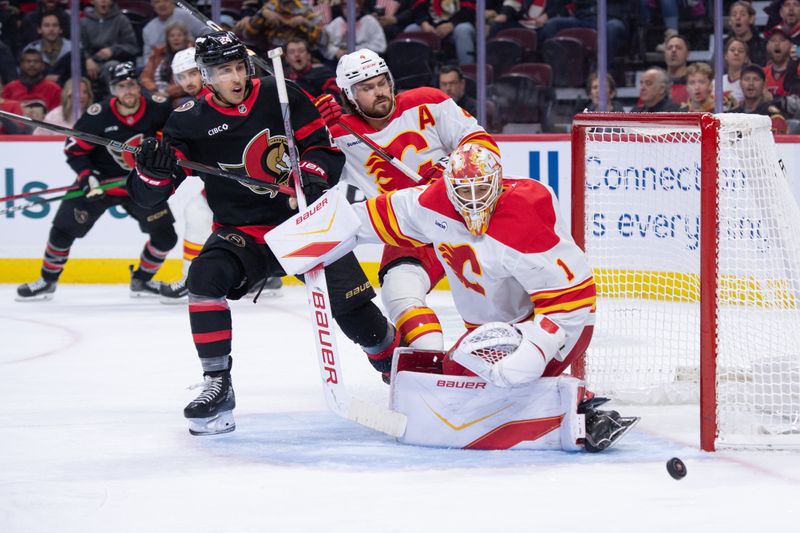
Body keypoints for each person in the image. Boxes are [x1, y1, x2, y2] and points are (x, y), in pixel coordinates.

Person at [281, 143, 638, 451]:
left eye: (481, 190)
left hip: (559, 325)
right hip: (491, 330)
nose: (471, 202)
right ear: (448, 187)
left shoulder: (526, 211)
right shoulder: (431, 204)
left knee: (506, 377)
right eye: (462, 192)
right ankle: (563, 405)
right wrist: (312, 230)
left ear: (497, 184)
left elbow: (573, 299)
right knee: (456, 376)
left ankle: (582, 411)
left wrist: (538, 346)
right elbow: (365, 220)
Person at [128, 32, 398, 436]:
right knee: (203, 277)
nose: (235, 78)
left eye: (239, 67)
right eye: (223, 71)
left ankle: (395, 370)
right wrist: (152, 169)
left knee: (355, 312)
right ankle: (218, 384)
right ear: (204, 75)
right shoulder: (188, 120)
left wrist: (312, 174)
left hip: (305, 225)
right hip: (244, 234)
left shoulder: (280, 93)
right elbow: (149, 198)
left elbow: (325, 151)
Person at [316, 49, 499, 354]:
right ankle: (432, 362)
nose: (379, 92)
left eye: (381, 82)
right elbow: (301, 173)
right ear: (348, 95)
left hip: (464, 219)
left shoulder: (428, 101)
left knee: (491, 305)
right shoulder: (338, 134)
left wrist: (452, 184)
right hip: (408, 232)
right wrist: (312, 131)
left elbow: (480, 144)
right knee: (399, 292)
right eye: (367, 88)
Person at [17, 63, 176, 302]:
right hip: (99, 184)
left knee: (165, 237)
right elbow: (74, 151)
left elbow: (175, 140)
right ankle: (47, 281)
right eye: (121, 86)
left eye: (131, 84)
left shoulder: (158, 108)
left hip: (141, 184)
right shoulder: (97, 115)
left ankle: (142, 279)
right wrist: (86, 176)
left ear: (138, 85)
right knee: (61, 232)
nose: (128, 91)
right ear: (113, 89)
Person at [157, 48, 283, 302]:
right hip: (237, 180)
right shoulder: (193, 107)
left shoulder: (217, 98)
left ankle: (192, 277)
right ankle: (265, 272)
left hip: (257, 178)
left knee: (198, 213)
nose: (189, 82)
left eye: (193, 73)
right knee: (202, 214)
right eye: (181, 77)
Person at [80, 0, 139, 97]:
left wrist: (113, 50)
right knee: (74, 67)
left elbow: (132, 47)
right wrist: (88, 59)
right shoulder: (85, 22)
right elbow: (81, 46)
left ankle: (116, 101)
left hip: (115, 62)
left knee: (112, 66)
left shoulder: (121, 20)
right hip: (91, 63)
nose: (103, 2)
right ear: (93, 1)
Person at [319, 0, 386, 65]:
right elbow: (325, 44)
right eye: (345, 5)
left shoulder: (369, 21)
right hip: (339, 62)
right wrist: (336, 51)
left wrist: (357, 51)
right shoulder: (337, 22)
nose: (354, 7)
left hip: (365, 62)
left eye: (356, 3)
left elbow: (380, 46)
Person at [140, 22, 193, 103]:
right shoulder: (158, 54)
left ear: (185, 37)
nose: (176, 38)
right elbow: (145, 77)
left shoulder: (191, 55)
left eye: (179, 35)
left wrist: (167, 93)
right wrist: (154, 89)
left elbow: (189, 81)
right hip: (155, 92)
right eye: (172, 36)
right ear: (167, 39)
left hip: (179, 95)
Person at [142, 0, 209, 64]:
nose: (162, 4)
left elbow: (206, 31)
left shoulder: (185, 14)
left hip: (191, 60)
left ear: (173, 2)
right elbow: (147, 58)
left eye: (165, 0)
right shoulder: (147, 29)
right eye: (157, 2)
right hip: (163, 67)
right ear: (153, 6)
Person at [239, 0, 322, 49]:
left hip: (298, 52)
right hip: (272, 52)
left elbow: (322, 38)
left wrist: (304, 22)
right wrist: (262, 14)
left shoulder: (303, 8)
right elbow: (248, 33)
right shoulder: (271, 6)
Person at [23, 13, 71, 84]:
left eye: (55, 25)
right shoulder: (30, 50)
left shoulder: (72, 48)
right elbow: (25, 76)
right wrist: (43, 79)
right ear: (39, 30)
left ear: (60, 30)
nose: (51, 29)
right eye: (47, 25)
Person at [764, 24, 800, 97]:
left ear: (791, 45)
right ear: (767, 46)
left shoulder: (798, 71)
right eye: (773, 40)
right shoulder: (761, 73)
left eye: (782, 40)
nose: (777, 44)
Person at [727, 1, 767, 66]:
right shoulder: (722, 45)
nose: (737, 18)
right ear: (730, 21)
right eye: (734, 15)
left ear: (751, 19)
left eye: (742, 14)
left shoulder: (763, 45)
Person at [663, 34, 690, 105]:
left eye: (678, 48)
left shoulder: (694, 82)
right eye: (669, 48)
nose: (673, 50)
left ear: (687, 54)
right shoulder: (656, 84)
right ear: (664, 54)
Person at [723, 37, 750, 107]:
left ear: (746, 58)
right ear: (726, 56)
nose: (736, 53)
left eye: (740, 51)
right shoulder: (716, 82)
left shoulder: (750, 83)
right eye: (732, 50)